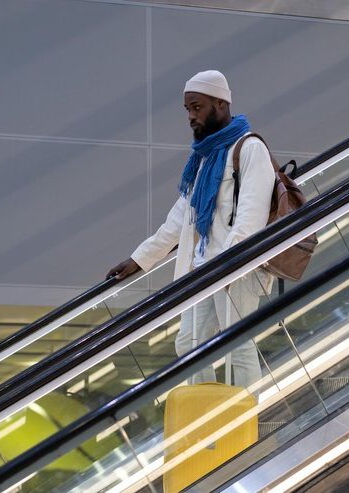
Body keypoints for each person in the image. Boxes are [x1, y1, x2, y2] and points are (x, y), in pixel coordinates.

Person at [107, 70, 275, 393]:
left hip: (234, 270)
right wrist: (139, 260)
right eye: (187, 110)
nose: (191, 117)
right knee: (188, 346)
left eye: (197, 107)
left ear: (221, 104)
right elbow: (179, 218)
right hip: (205, 270)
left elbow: (250, 220)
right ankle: (212, 417)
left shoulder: (250, 149)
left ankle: (250, 419)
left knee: (238, 345)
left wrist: (229, 267)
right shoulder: (204, 158)